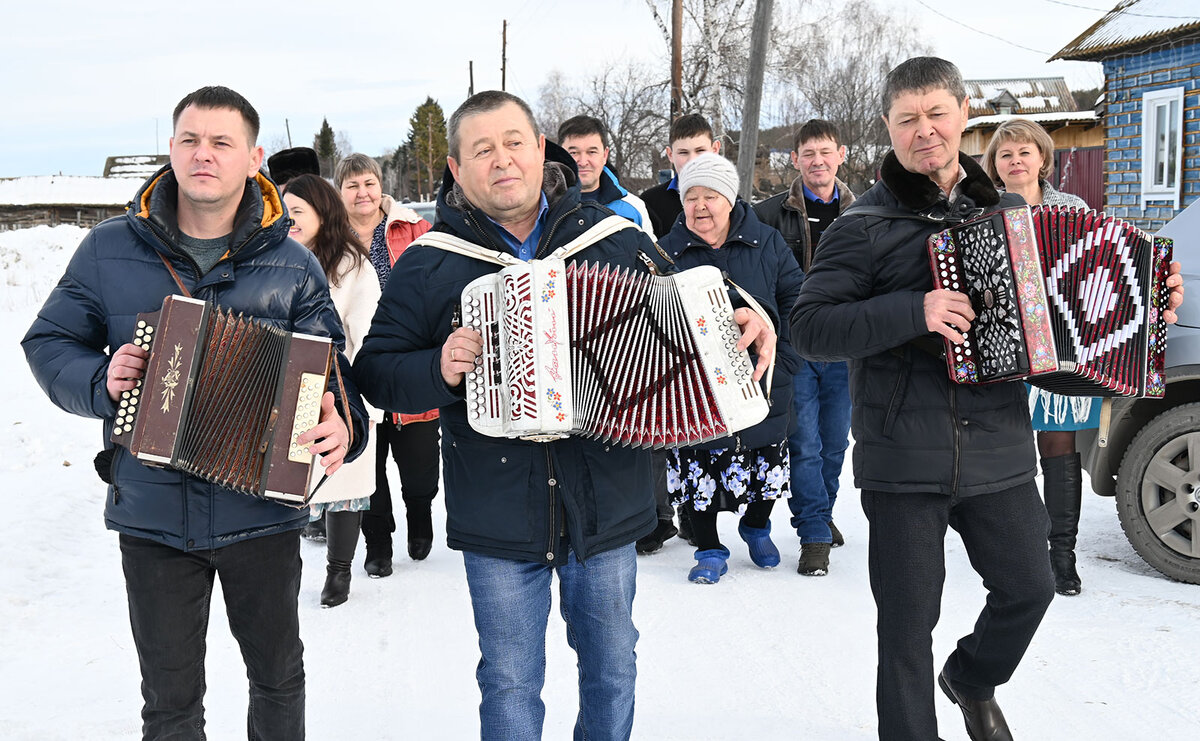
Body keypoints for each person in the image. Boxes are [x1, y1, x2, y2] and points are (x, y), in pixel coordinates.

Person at [354, 90, 775, 740]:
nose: (502, 160)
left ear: (539, 149)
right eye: (483, 149)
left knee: (612, 670)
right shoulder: (430, 262)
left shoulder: (613, 237)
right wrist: (436, 367)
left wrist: (750, 314)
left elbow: (695, 309)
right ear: (457, 166)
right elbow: (377, 371)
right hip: (497, 514)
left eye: (514, 142)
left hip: (604, 504)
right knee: (510, 683)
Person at [790, 57, 1184, 741]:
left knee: (1031, 587)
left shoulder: (1011, 218)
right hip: (903, 458)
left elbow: (1054, 352)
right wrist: (915, 309)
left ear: (964, 113)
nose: (925, 131)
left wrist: (1145, 318)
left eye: (937, 113)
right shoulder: (863, 226)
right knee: (908, 630)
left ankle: (971, 679)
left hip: (999, 449)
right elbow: (811, 326)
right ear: (888, 125)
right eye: (908, 118)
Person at [21, 85, 369, 739]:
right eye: (190, 139)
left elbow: (335, 377)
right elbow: (48, 342)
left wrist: (344, 427)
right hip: (153, 517)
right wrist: (101, 379)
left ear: (253, 157)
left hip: (262, 517)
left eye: (221, 142)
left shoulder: (292, 264)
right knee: (170, 702)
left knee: (277, 679)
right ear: (172, 148)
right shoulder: (107, 249)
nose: (202, 153)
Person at [659, 152, 802, 583]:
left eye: (711, 196)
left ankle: (756, 525)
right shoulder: (666, 253)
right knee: (697, 471)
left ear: (731, 198)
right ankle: (708, 547)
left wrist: (785, 360)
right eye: (691, 197)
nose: (700, 206)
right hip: (695, 390)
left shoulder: (768, 242)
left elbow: (796, 302)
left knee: (766, 465)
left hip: (763, 383)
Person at [982, 117, 1097, 597]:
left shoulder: (1071, 208)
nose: (1015, 161)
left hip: (1060, 342)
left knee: (1058, 444)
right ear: (995, 165)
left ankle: (1062, 556)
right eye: (1005, 155)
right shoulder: (982, 209)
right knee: (1006, 447)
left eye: (1024, 152)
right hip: (1004, 340)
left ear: (1042, 159)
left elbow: (1095, 267)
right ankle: (1017, 551)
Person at [754, 119, 857, 576]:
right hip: (795, 348)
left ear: (841, 155)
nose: (817, 161)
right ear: (795, 160)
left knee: (836, 443)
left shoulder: (864, 213)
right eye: (808, 154)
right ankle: (813, 532)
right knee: (806, 443)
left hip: (846, 346)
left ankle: (821, 509)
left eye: (825, 152)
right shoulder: (768, 214)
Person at [335, 152, 441, 574]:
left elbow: (437, 287)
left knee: (420, 467)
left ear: (381, 186)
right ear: (339, 191)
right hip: (356, 365)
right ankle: (377, 542)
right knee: (368, 464)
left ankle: (420, 516)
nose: (362, 193)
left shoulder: (415, 228)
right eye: (352, 185)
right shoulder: (330, 238)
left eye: (369, 183)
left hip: (410, 360)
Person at [282, 173, 383, 607]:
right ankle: (284, 574)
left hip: (341, 392)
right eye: (284, 212)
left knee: (345, 487)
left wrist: (354, 403)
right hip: (286, 390)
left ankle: (339, 573)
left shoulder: (353, 266)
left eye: (297, 213)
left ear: (322, 213)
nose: (288, 221)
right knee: (287, 484)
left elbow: (364, 337)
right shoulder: (276, 259)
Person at [557, 115, 654, 237]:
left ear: (605, 155)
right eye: (573, 153)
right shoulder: (541, 208)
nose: (582, 162)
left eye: (591, 152)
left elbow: (651, 255)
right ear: (560, 155)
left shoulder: (633, 208)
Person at [639, 113, 722, 240]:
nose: (693, 160)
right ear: (670, 154)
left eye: (700, 151)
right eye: (683, 152)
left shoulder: (732, 203)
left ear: (715, 149)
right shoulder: (649, 203)